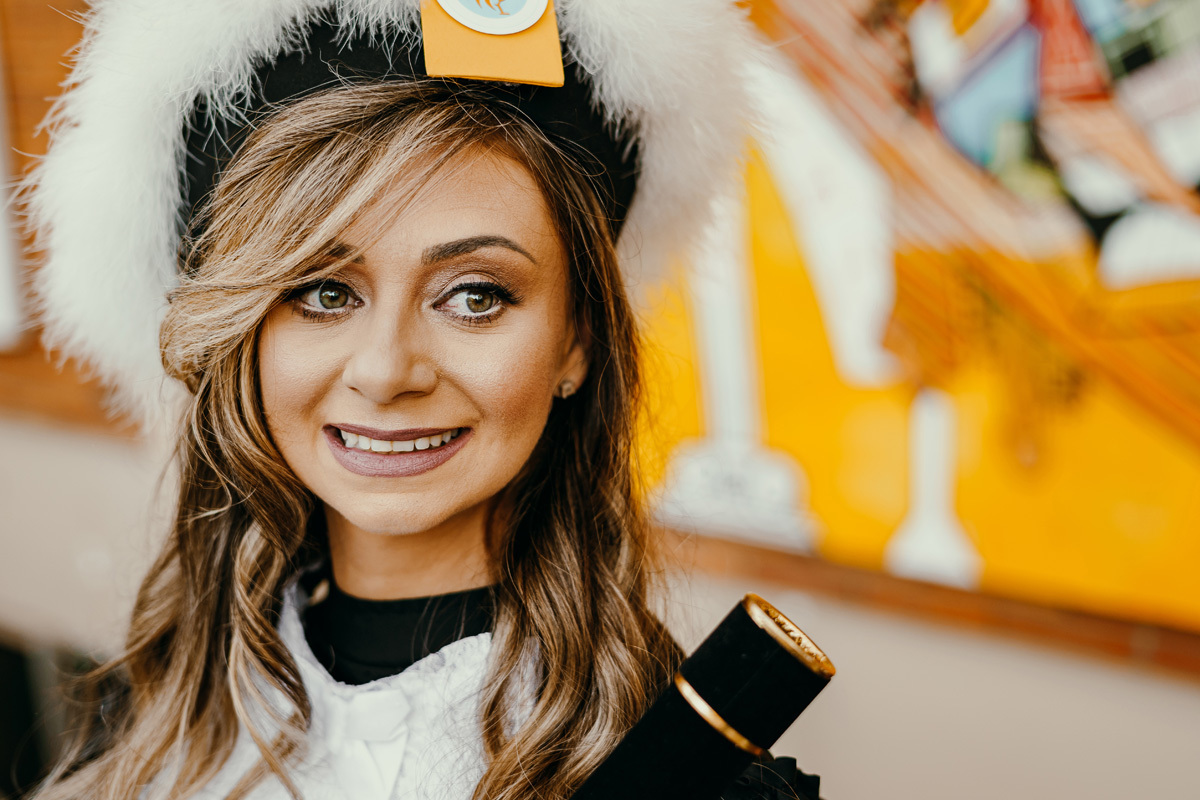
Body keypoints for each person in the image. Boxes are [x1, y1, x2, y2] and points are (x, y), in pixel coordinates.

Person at [24, 2, 822, 798]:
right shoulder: (152, 729)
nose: (385, 371)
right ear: (241, 333)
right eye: (324, 291)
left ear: (577, 339)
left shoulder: (696, 779)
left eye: (475, 296)